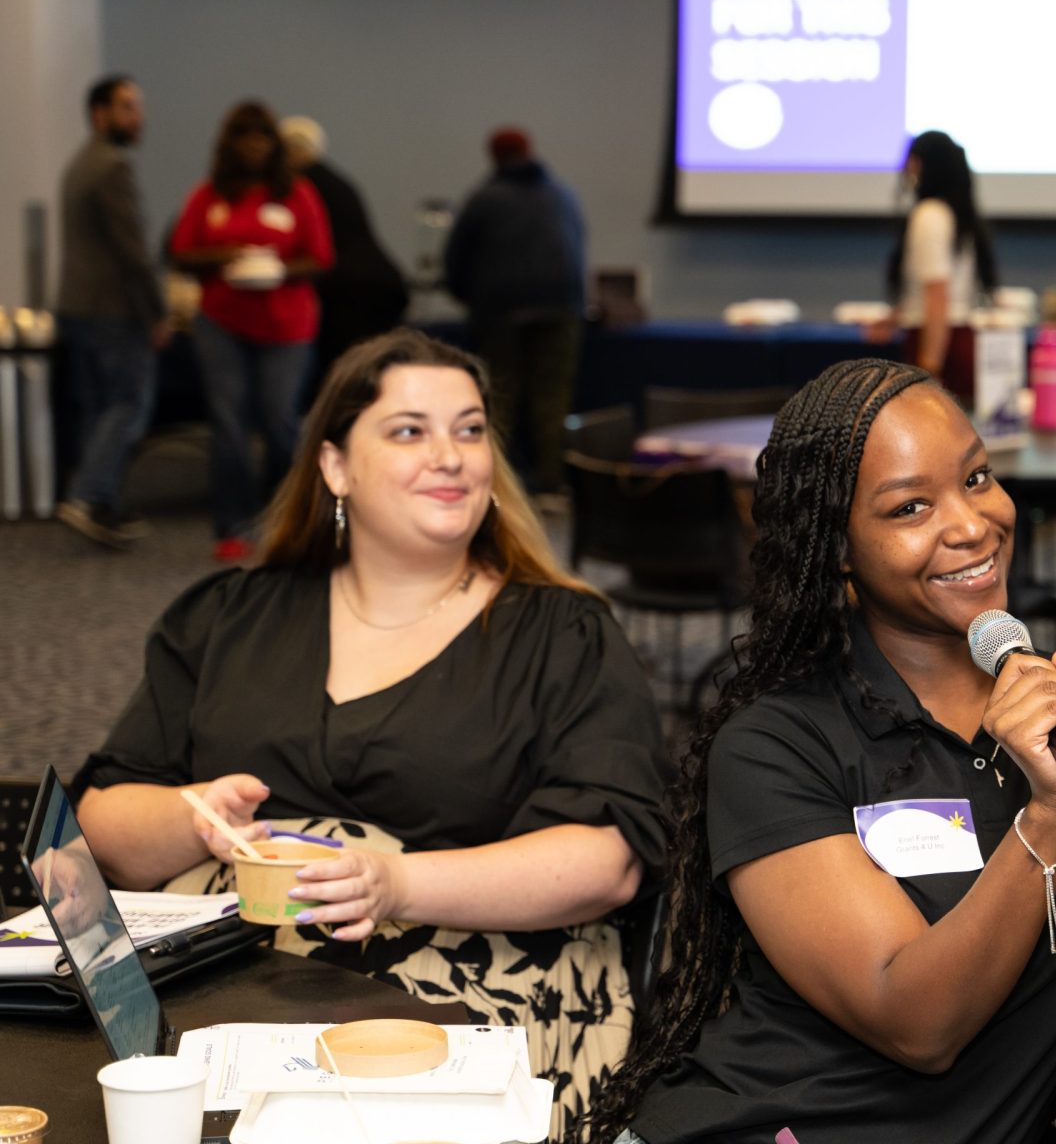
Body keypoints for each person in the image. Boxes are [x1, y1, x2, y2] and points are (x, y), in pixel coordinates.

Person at [585, 358, 1056, 1144]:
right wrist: (1049, 812)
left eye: (978, 477)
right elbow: (917, 1025)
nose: (970, 524)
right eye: (910, 507)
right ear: (840, 551)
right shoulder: (777, 744)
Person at [73, 327, 667, 1136]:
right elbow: (102, 823)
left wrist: (396, 884)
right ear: (335, 466)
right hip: (232, 992)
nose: (450, 455)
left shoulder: (565, 635)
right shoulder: (228, 617)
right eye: (409, 431)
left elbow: (606, 865)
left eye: (469, 429)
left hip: (475, 996)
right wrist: (195, 817)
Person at [168, 100, 334, 562]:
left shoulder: (297, 194)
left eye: (261, 136)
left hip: (287, 326)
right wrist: (226, 256)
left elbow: (320, 258)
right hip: (223, 324)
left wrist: (276, 266)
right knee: (229, 424)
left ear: (273, 144)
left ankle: (286, 519)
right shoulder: (208, 196)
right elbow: (181, 253)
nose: (253, 145)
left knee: (281, 421)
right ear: (230, 144)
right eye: (244, 136)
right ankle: (232, 524)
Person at [54, 75, 169, 548]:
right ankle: (86, 496)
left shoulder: (79, 163)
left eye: (138, 106)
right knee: (126, 407)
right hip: (113, 310)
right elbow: (134, 251)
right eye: (127, 107)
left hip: (76, 307)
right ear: (99, 113)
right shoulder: (112, 167)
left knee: (100, 410)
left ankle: (102, 506)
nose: (138, 117)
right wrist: (157, 312)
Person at [444, 127, 585, 501]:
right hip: (561, 310)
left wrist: (468, 297)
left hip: (500, 313)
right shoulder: (561, 194)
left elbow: (454, 261)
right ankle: (553, 484)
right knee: (552, 400)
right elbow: (577, 248)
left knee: (500, 398)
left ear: (493, 155)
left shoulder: (483, 199)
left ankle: (495, 486)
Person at [280, 116, 408, 387]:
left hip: (346, 293)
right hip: (379, 284)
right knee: (372, 375)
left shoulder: (301, 188)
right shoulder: (336, 181)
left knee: (345, 380)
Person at [886, 129, 998, 403]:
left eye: (912, 162)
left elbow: (937, 294)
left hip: (937, 345)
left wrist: (928, 368)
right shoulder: (954, 215)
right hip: (956, 340)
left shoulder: (929, 215)